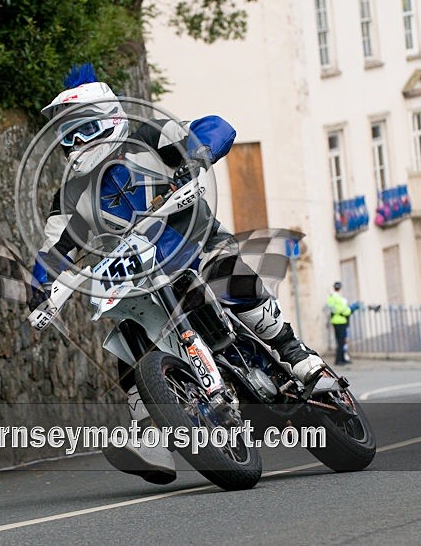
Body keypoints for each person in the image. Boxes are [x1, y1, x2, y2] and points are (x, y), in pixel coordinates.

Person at [29, 64, 326, 484]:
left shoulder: (148, 138)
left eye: (80, 128)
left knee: (226, 277)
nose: (73, 141)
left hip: (194, 240)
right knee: (126, 336)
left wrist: (197, 156)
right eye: (66, 133)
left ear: (108, 117)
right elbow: (54, 248)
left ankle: (293, 352)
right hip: (139, 272)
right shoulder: (70, 195)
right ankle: (150, 432)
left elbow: (216, 127)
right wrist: (40, 286)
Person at [327, 281, 357, 365]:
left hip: (335, 321)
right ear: (340, 288)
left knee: (340, 341)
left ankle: (342, 358)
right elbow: (345, 311)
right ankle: (339, 360)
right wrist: (352, 309)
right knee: (341, 341)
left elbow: (332, 307)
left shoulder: (331, 297)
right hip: (341, 321)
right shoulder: (339, 299)